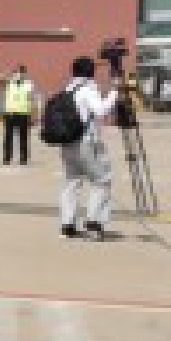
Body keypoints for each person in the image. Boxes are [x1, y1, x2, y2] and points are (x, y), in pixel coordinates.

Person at [56, 56, 119, 241]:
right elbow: (100, 111)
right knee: (102, 180)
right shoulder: (87, 89)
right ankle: (94, 222)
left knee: (71, 182)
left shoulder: (69, 88)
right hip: (85, 141)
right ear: (90, 72)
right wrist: (115, 93)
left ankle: (67, 225)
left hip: (67, 142)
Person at [0, 64, 37, 166]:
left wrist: (34, 114)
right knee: (8, 136)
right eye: (16, 72)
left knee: (23, 137)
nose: (18, 74)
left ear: (24, 74)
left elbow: (33, 99)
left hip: (24, 113)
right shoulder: (9, 83)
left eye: (20, 72)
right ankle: (7, 158)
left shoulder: (29, 84)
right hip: (10, 113)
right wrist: (8, 73)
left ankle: (23, 158)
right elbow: (0, 80)